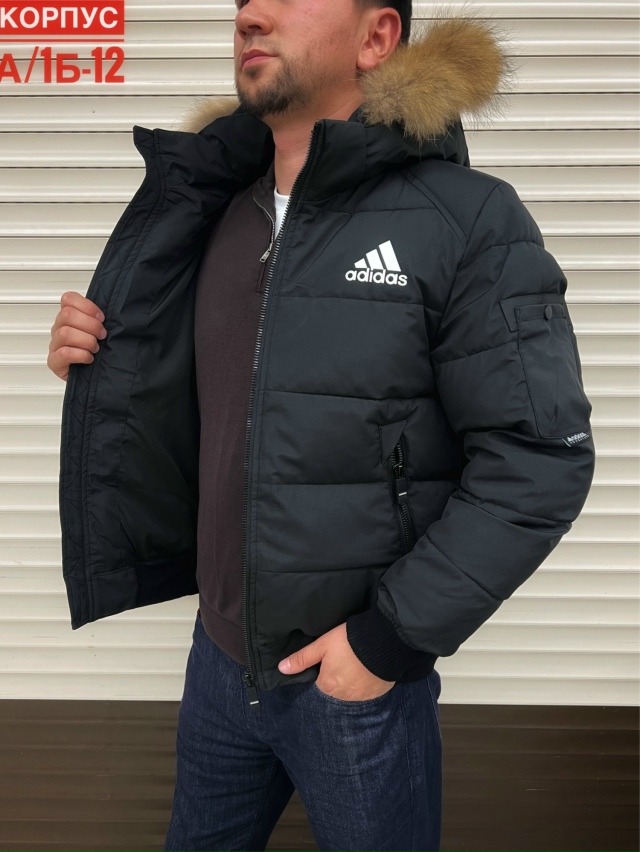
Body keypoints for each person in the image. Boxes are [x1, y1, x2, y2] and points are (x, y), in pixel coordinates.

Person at [47, 1, 596, 849]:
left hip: (355, 685)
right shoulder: (209, 213)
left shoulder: (467, 219)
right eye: (242, 1)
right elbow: (207, 399)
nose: (251, 14)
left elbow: (541, 457)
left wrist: (387, 642)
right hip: (218, 664)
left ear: (377, 37)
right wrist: (98, 361)